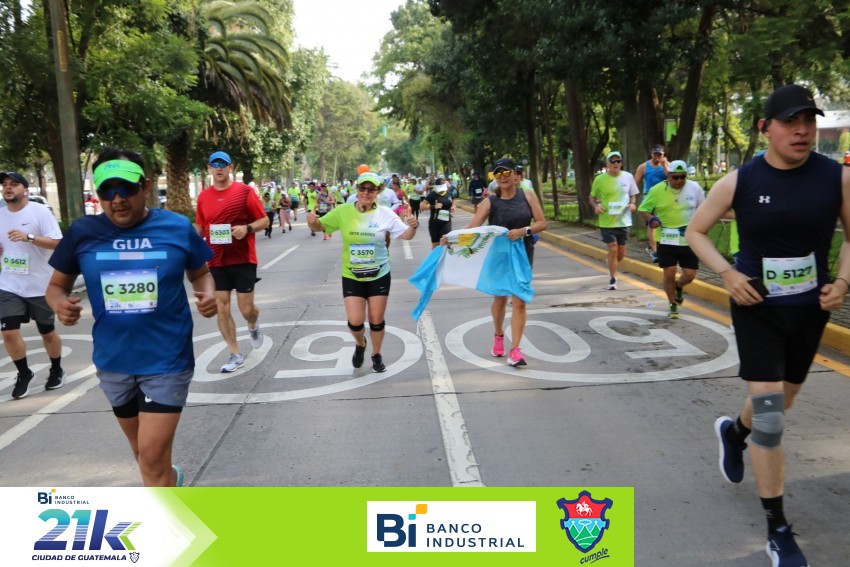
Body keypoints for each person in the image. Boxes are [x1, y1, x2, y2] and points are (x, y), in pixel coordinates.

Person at [686, 84, 850, 567]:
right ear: (765, 128)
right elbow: (696, 231)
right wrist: (728, 273)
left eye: (809, 121)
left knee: (783, 398)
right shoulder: (738, 181)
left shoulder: (837, 178)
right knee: (772, 412)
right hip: (755, 304)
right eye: (790, 122)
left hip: (810, 307)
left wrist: (842, 282)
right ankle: (778, 529)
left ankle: (734, 434)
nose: (802, 131)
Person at [46, 148, 217, 486]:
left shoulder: (175, 227)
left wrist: (208, 293)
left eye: (126, 188)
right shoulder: (83, 232)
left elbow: (201, 273)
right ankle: (172, 479)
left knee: (151, 458)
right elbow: (55, 286)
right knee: (144, 455)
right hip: (113, 360)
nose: (118, 199)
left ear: (146, 186)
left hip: (167, 359)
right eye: (107, 191)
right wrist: (59, 304)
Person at [306, 172, 419, 373]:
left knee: (376, 319)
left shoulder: (385, 213)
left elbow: (407, 235)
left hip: (379, 273)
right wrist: (311, 220)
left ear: (377, 192)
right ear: (357, 190)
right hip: (352, 274)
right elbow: (319, 226)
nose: (366, 193)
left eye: (371, 189)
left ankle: (377, 354)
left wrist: (413, 226)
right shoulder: (343, 211)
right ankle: (360, 343)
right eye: (362, 188)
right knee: (355, 322)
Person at [459, 157, 547, 367]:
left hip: (523, 253)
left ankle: (515, 350)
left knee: (519, 301)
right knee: (500, 300)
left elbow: (542, 223)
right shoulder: (490, 202)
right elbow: (473, 228)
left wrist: (524, 231)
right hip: (499, 255)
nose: (503, 177)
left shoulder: (527, 195)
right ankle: (498, 334)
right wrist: (451, 238)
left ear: (515, 174)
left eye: (506, 172)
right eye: (498, 174)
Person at [195, 150, 269, 373]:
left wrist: (247, 228)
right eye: (214, 164)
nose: (219, 168)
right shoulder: (203, 197)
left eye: (223, 164)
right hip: (216, 259)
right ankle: (235, 354)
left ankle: (253, 323)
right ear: (209, 168)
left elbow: (264, 220)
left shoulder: (244, 192)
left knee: (246, 309)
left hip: (243, 258)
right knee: (222, 305)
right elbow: (200, 227)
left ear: (230, 167)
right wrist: (186, 235)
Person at [0, 171, 65, 399]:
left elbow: (58, 243)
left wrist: (29, 237)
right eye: (5, 185)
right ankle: (24, 373)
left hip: (40, 285)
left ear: (25, 190)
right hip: (9, 284)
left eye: (14, 184)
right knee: (9, 333)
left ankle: (56, 369)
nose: (8, 188)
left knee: (47, 332)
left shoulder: (40, 212)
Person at [638, 160, 705, 319]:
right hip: (666, 239)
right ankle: (672, 304)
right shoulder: (656, 190)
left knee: (690, 274)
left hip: (688, 238)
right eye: (675, 177)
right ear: (668, 176)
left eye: (683, 177)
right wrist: (651, 219)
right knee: (669, 272)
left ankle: (678, 286)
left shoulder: (695, 188)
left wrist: (701, 227)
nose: (679, 181)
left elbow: (705, 209)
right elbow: (643, 209)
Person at [589, 151, 639, 290]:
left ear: (621, 163)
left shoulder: (628, 177)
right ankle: (613, 278)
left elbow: (633, 195)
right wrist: (596, 206)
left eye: (618, 161)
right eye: (612, 161)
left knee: (621, 252)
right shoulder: (600, 179)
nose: (616, 163)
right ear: (607, 163)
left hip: (623, 220)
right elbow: (592, 197)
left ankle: (611, 262)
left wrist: (633, 204)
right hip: (607, 220)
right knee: (613, 248)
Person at [634, 145, 669, 263]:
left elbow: (671, 179)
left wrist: (665, 166)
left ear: (663, 155)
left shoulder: (667, 166)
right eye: (655, 154)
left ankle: (661, 247)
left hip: (664, 197)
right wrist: (632, 198)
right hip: (649, 197)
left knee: (664, 223)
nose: (657, 157)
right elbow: (635, 183)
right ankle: (655, 251)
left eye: (660, 155)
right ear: (651, 154)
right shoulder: (643, 167)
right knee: (652, 224)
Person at [424, 177, 455, 250]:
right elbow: (422, 206)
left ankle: (445, 257)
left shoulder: (449, 193)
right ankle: (436, 257)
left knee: (446, 243)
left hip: (446, 222)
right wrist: (433, 206)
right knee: (436, 246)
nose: (441, 191)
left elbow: (453, 199)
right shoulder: (432, 194)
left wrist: (453, 206)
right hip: (434, 223)